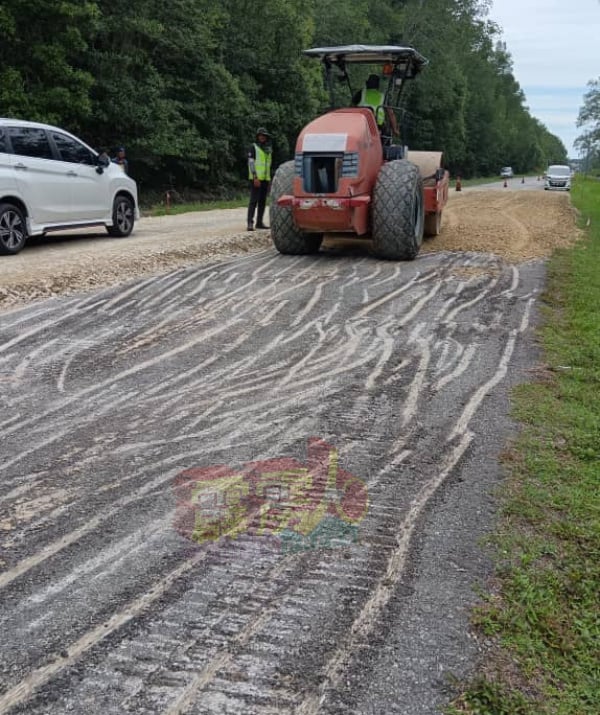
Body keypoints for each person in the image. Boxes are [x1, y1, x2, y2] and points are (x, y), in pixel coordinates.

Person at [247, 128, 272, 231]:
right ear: (257, 136)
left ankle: (259, 222)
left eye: (264, 135)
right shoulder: (253, 147)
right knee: (253, 201)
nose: (262, 137)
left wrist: (269, 180)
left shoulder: (268, 150)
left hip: (265, 179)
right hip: (256, 178)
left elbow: (268, 165)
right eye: (260, 135)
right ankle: (250, 223)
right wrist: (255, 177)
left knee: (262, 201)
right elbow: (251, 162)